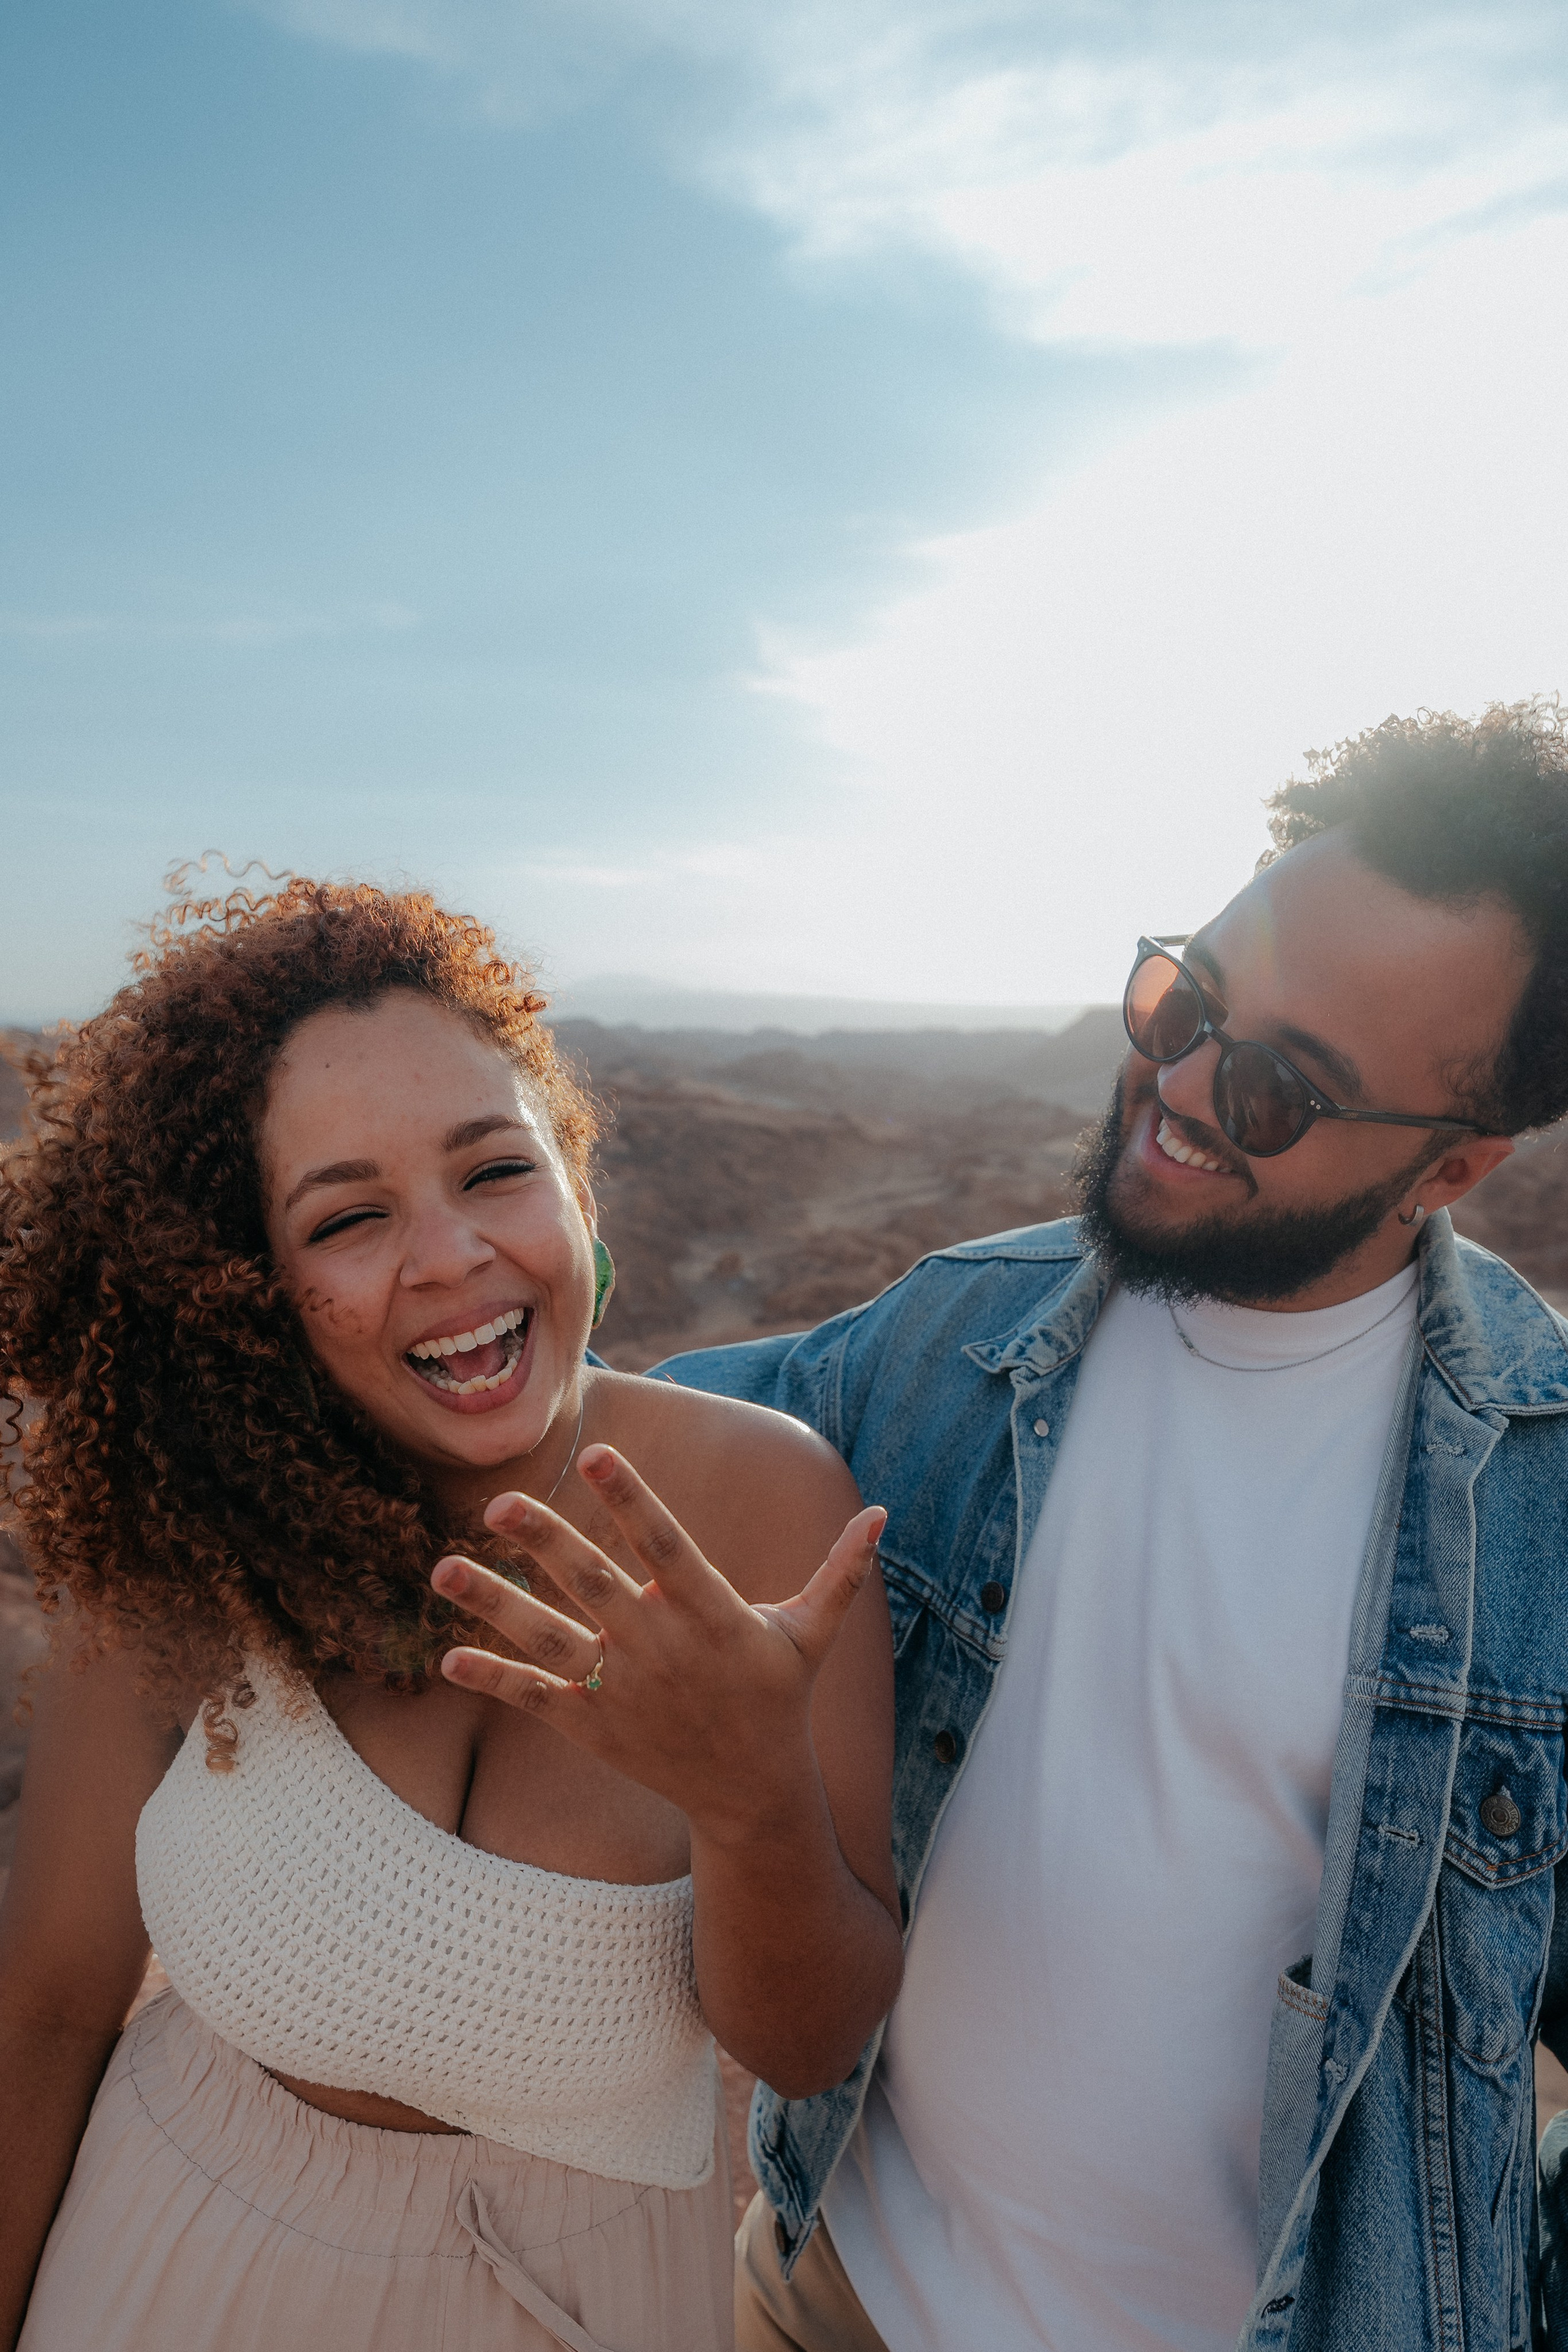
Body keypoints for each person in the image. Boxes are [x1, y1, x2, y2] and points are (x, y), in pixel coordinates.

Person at [660, 701, 1568, 2350]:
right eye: (1188, 995)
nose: (1187, 1084)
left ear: (1454, 1167)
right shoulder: (947, 1343)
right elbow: (595, 1432)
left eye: (1285, 1089)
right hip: (830, 2293)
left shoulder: (1545, 1506)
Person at [0, 879, 903, 2352]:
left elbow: (809, 2046)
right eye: (348, 1216)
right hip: (164, 2268)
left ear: (578, 1188)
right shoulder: (196, 1530)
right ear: (252, 1287)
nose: (449, 1255)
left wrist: (751, 1798)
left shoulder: (759, 1511)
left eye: (493, 1172)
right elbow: (43, 2005)